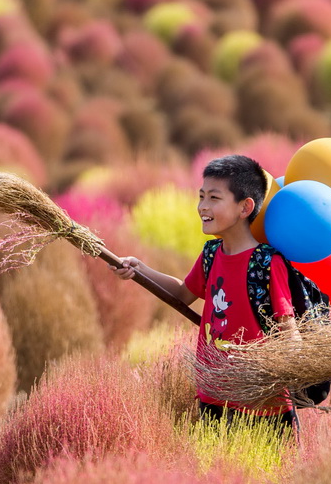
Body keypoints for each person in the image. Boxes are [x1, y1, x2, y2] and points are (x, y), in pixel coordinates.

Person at [112, 154, 299, 432]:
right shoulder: (211, 254)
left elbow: (289, 330)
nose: (202, 207)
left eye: (214, 198)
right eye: (201, 197)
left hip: (263, 404)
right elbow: (183, 294)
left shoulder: (267, 263)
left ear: (245, 207)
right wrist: (141, 270)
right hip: (213, 395)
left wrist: (298, 366)